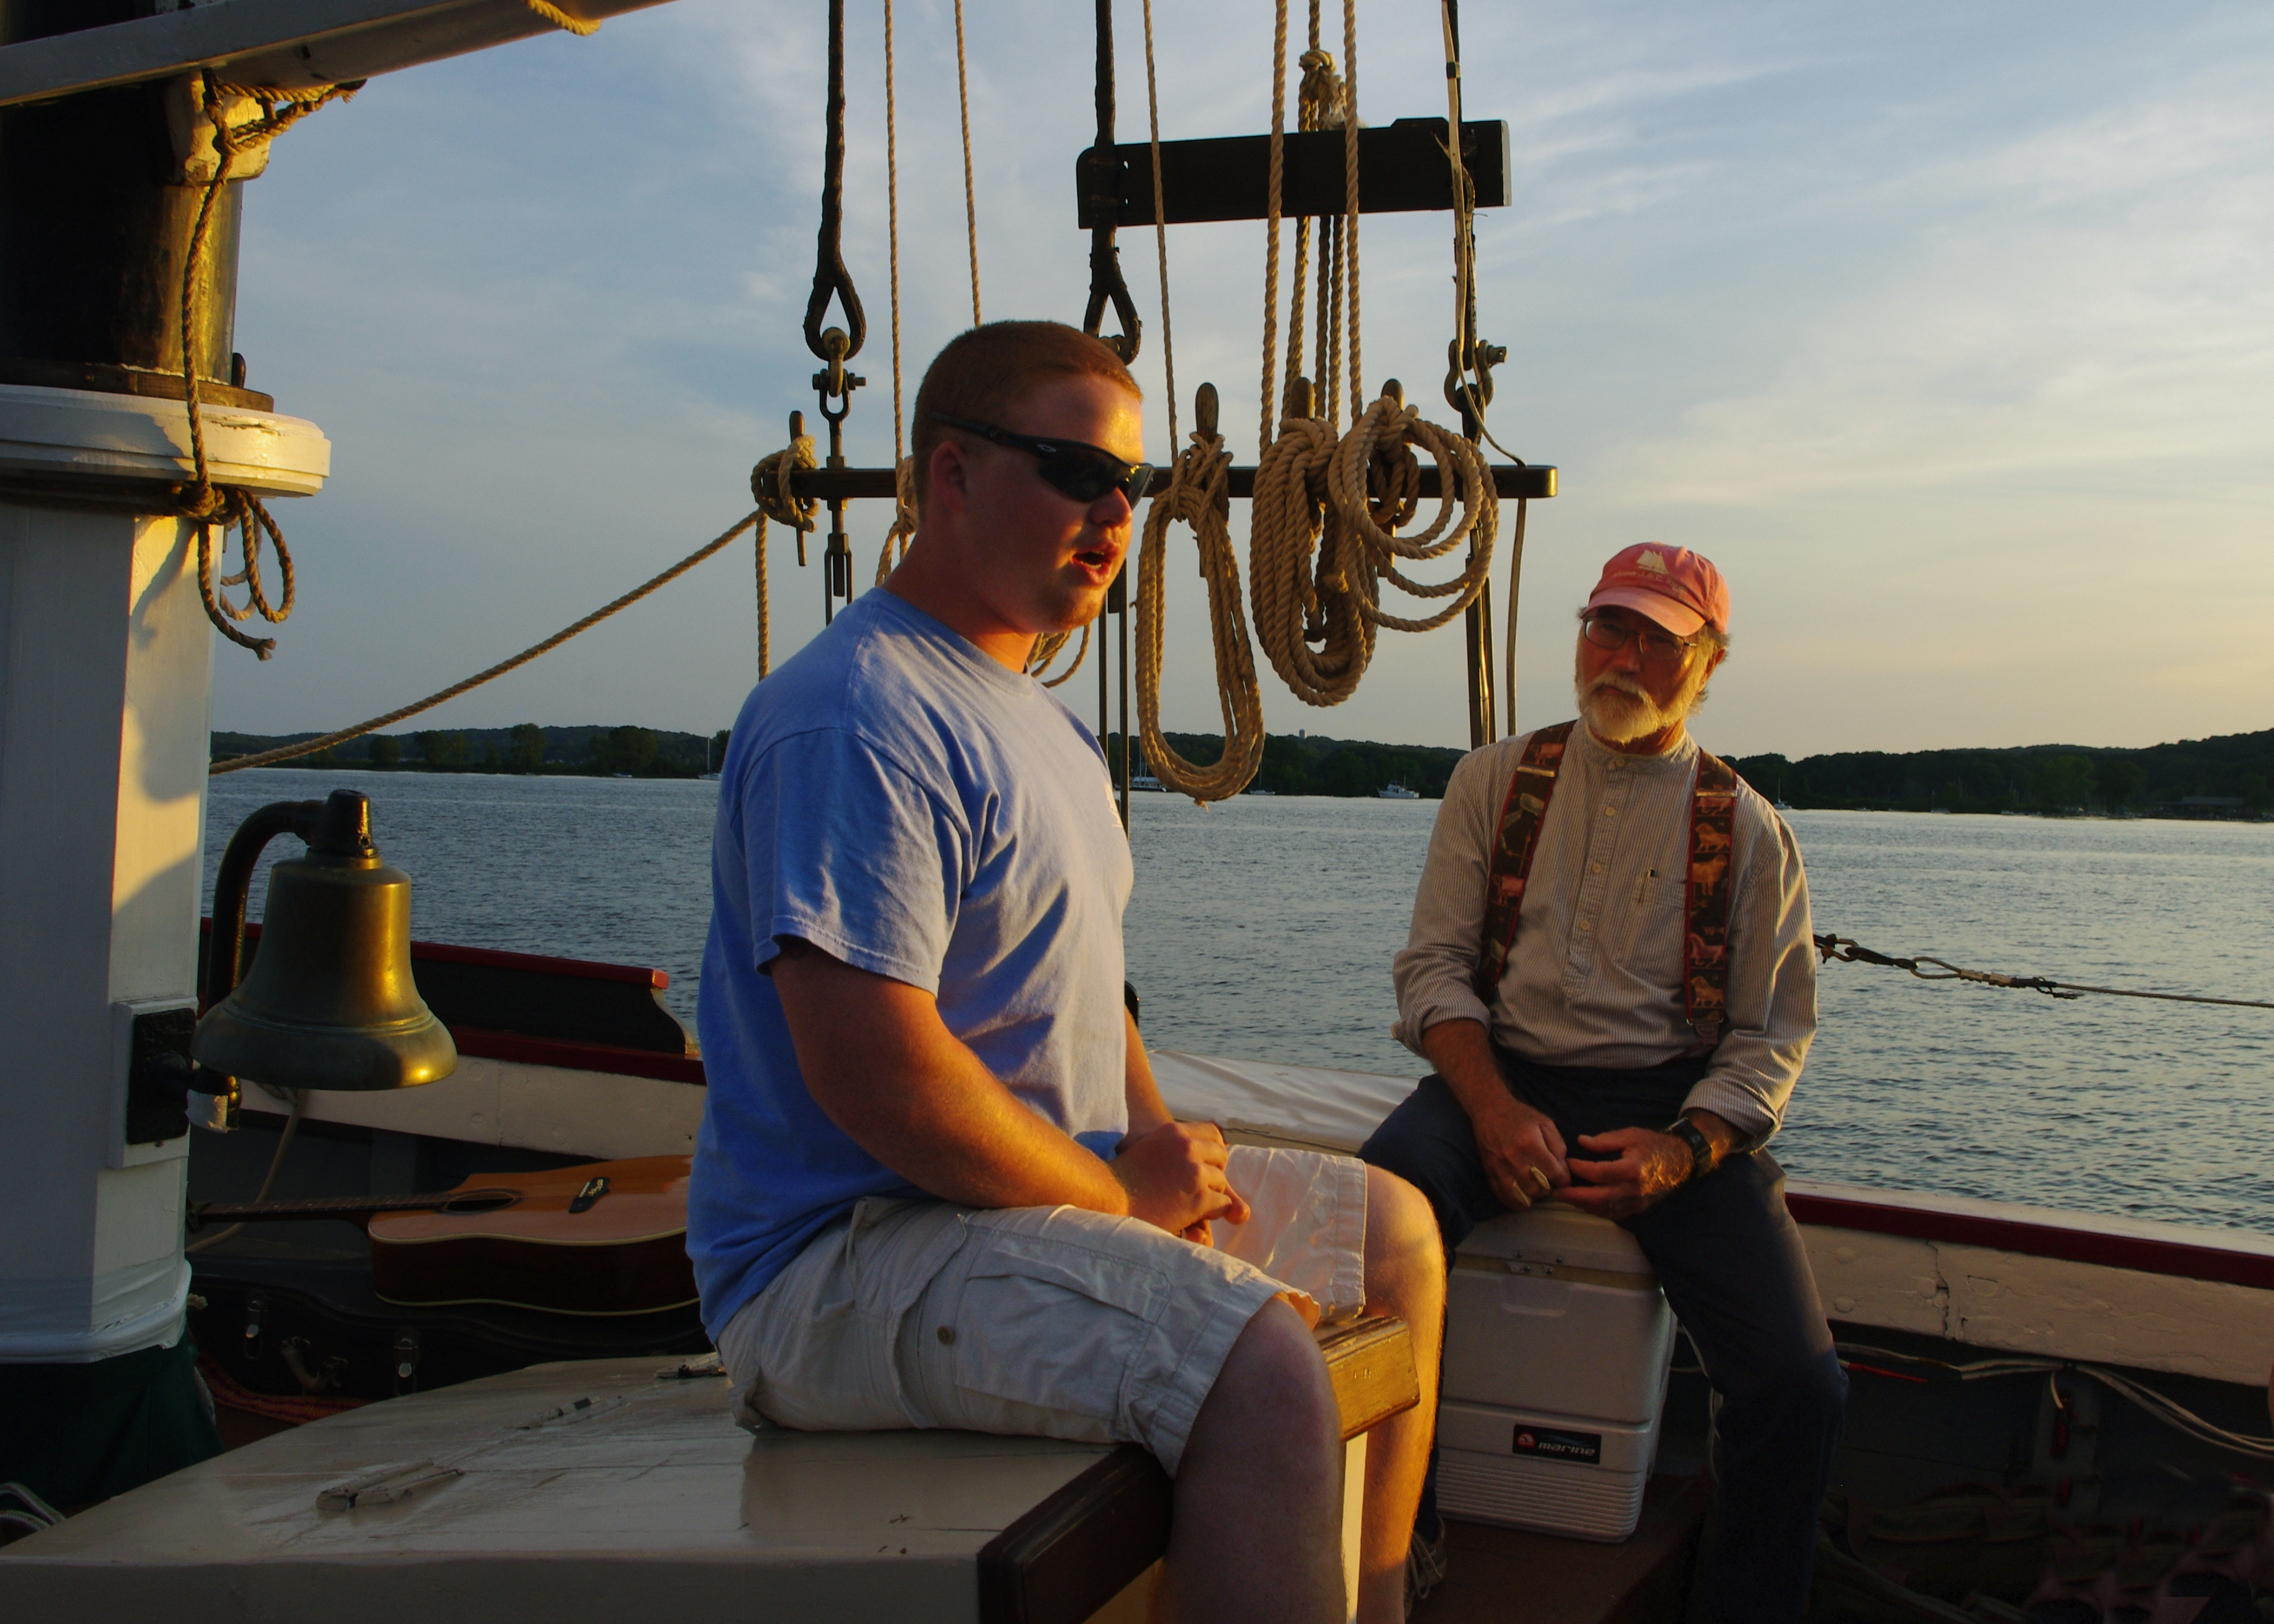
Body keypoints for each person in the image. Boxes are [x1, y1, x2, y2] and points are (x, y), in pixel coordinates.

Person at [689, 321, 1444, 1624]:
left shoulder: (1042, 728)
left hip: (1023, 1201)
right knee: (1260, 1367)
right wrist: (1114, 1195)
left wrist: (1158, 1142)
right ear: (951, 477)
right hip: (846, 1261)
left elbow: (1089, 981)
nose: (1116, 515)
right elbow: (878, 1075)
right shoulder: (857, 712)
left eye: (1134, 487)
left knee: (1397, 1240)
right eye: (1074, 471)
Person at [1359, 543, 1843, 1623]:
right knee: (1380, 1214)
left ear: (1707, 664)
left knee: (1799, 1387)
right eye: (1606, 627)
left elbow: (1772, 1038)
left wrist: (1684, 1148)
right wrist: (1488, 1104)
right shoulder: (1495, 780)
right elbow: (1434, 968)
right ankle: (1401, 1534)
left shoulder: (1753, 829)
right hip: (1505, 1070)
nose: (1622, 656)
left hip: (1675, 1108)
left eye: (1658, 641)